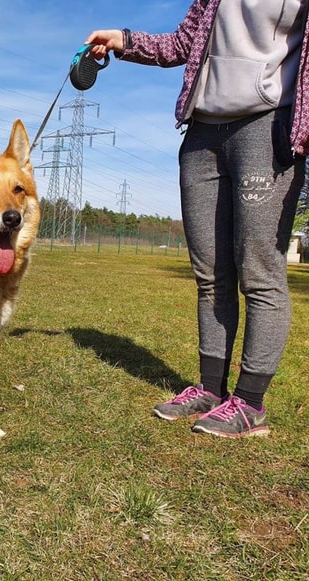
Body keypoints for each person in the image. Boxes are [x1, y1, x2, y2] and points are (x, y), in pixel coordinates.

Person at [85, 0, 309, 438]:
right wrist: (125, 41)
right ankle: (210, 389)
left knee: (259, 271)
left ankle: (250, 404)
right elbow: (183, 43)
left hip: (268, 127)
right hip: (203, 132)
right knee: (209, 274)